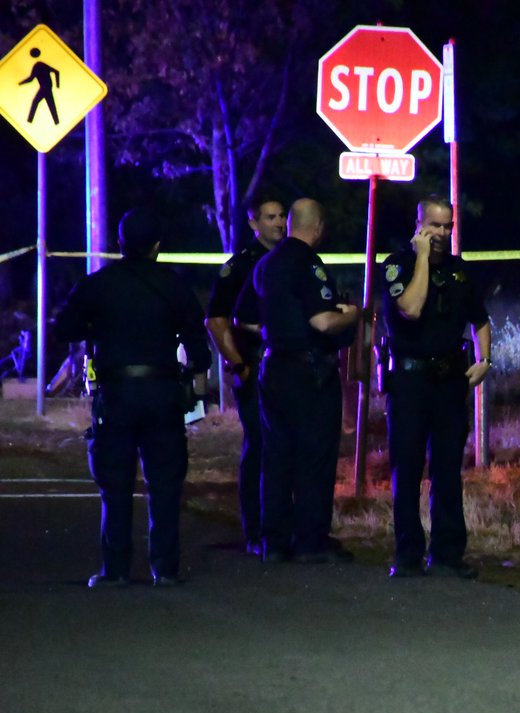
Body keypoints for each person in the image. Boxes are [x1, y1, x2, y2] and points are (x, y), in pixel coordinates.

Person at [54, 208, 211, 588]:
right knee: (166, 484)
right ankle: (166, 568)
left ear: (119, 244)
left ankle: (116, 569)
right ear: (158, 246)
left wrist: (100, 325)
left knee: (115, 483)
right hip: (162, 395)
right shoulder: (173, 286)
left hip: (117, 394)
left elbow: (64, 328)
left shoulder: (99, 285)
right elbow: (200, 351)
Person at [236, 198, 359, 564]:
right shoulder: (309, 265)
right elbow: (322, 322)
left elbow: (244, 318)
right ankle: (310, 541)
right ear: (317, 225)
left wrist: (279, 331)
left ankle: (273, 540)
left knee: (276, 457)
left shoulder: (264, 265)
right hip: (311, 373)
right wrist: (353, 315)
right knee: (314, 456)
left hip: (273, 368)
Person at [379, 196, 491, 579]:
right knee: (407, 468)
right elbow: (410, 307)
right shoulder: (397, 266)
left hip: (448, 382)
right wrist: (423, 258)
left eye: (448, 227)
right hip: (409, 381)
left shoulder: (462, 273)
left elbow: (481, 320)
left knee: (447, 470)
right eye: (435, 226)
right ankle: (408, 554)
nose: (442, 234)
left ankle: (447, 553)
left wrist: (484, 360)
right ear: (419, 224)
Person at [205, 197, 286, 557]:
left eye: (283, 216)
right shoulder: (240, 266)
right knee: (259, 444)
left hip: (287, 368)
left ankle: (283, 526)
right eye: (270, 217)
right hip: (253, 366)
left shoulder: (291, 261)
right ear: (254, 223)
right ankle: (255, 530)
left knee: (285, 447)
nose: (279, 223)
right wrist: (238, 364)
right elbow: (216, 319)